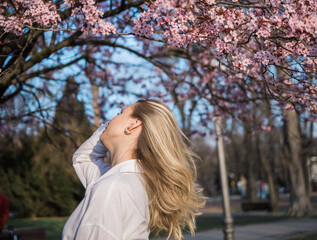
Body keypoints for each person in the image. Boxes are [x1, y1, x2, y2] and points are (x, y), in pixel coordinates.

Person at [62, 99, 206, 240]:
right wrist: (105, 130)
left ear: (134, 124)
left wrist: (108, 130)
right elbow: (84, 159)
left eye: (120, 113)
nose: (108, 121)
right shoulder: (132, 182)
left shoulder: (113, 187)